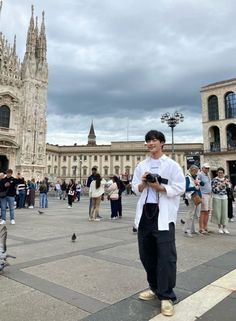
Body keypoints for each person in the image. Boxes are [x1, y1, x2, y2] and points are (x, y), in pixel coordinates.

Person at [131, 130, 185, 317]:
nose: (150, 143)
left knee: (166, 258)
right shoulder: (142, 165)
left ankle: (166, 296)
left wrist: (159, 187)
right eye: (147, 141)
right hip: (146, 215)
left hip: (163, 216)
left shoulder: (171, 165)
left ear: (162, 143)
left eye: (154, 140)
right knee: (147, 255)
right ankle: (154, 288)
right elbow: (134, 188)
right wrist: (143, 184)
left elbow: (180, 187)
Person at [183, 165, 203, 237]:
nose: (196, 172)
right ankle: (188, 230)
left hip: (198, 197)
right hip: (192, 197)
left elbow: (202, 184)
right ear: (191, 171)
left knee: (197, 215)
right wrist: (194, 187)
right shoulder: (187, 178)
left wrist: (200, 182)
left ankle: (194, 230)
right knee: (190, 214)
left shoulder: (196, 177)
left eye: (197, 171)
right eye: (195, 171)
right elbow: (186, 188)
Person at [211, 167, 230, 234]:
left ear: (223, 173)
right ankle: (219, 228)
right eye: (219, 172)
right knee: (218, 213)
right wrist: (220, 186)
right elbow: (213, 190)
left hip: (224, 197)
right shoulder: (214, 180)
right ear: (217, 173)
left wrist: (228, 185)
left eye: (221, 173)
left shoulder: (226, 179)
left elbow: (229, 188)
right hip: (217, 197)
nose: (220, 174)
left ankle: (224, 228)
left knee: (224, 213)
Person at [197, 163, 212, 234]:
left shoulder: (208, 175)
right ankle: (201, 228)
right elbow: (196, 181)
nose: (207, 169)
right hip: (203, 194)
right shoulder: (200, 174)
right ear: (202, 168)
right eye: (206, 168)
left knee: (208, 211)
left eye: (208, 168)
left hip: (209, 194)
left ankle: (205, 227)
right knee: (203, 211)